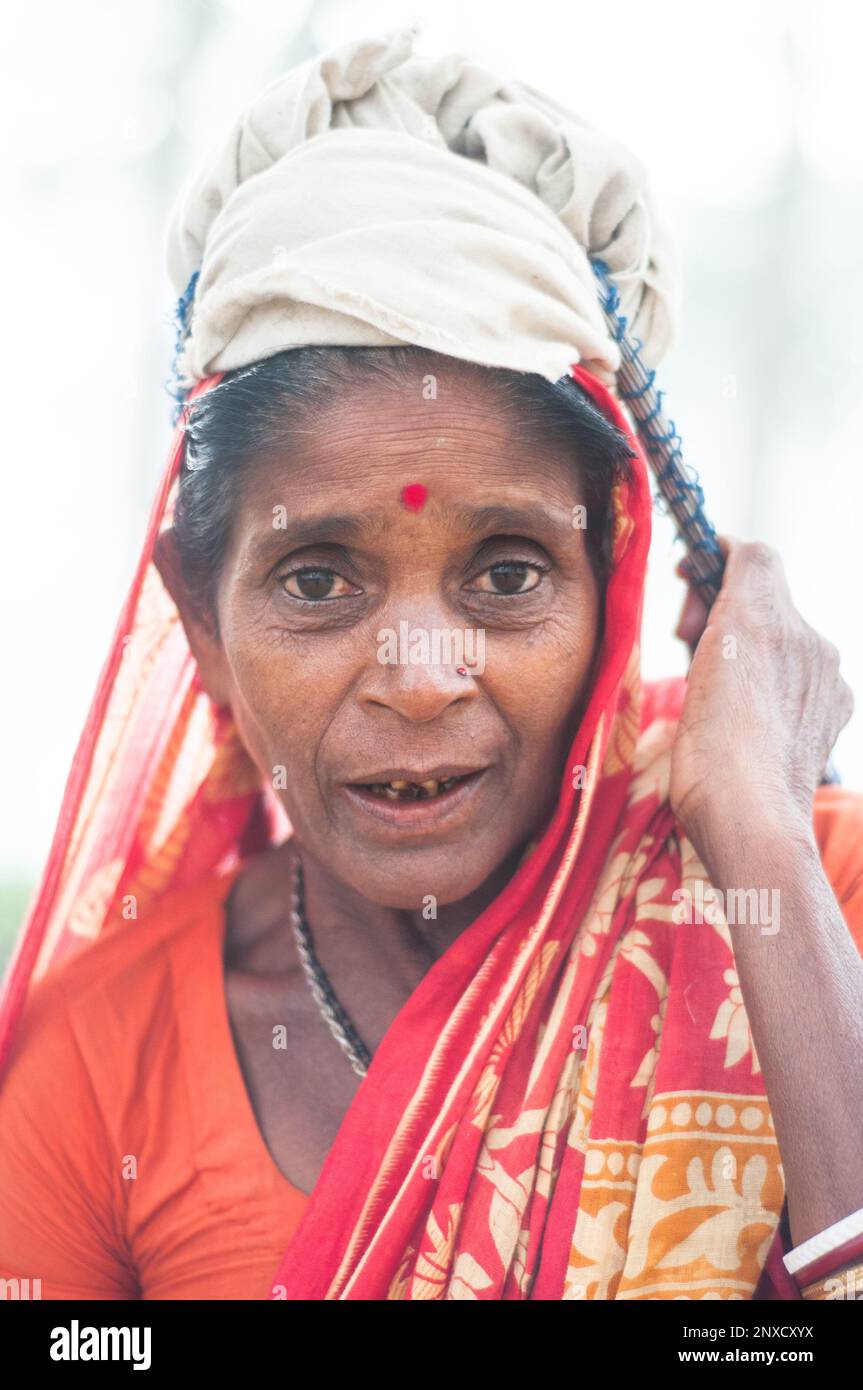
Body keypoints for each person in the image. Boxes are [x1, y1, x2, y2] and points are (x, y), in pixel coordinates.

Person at [1, 24, 862, 1302]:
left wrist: (757, 829)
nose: (416, 677)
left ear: (612, 584)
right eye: (316, 579)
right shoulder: (100, 1061)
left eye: (508, 573)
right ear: (201, 625)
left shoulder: (808, 899)